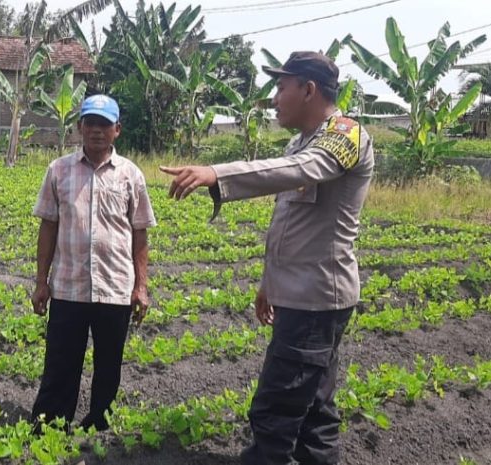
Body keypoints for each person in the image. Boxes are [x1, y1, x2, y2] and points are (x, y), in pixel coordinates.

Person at [161, 51, 374, 465]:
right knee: (314, 411)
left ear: (308, 90)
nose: (274, 98)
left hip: (315, 301)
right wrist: (270, 284)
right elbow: (291, 223)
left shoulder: (346, 134)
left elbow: (301, 170)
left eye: (280, 87)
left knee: (275, 412)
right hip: (301, 296)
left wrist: (218, 173)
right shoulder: (301, 142)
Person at [29, 94, 156, 432]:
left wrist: (141, 287)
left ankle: (99, 425)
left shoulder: (131, 175)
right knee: (60, 362)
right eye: (90, 123)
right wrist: (41, 282)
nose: (97, 130)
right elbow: (48, 226)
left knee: (109, 364)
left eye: (104, 124)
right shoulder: (58, 170)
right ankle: (49, 425)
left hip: (114, 287)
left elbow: (140, 232)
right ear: (79, 127)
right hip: (68, 286)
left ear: (117, 129)